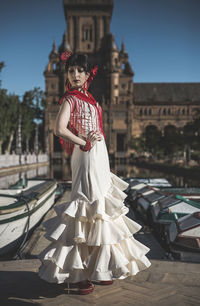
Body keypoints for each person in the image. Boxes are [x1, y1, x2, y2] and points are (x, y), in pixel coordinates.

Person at [38, 52, 151, 295]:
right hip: (86, 154)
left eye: (80, 70)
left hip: (98, 156)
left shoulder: (88, 97)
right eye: (71, 71)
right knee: (86, 208)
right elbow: (58, 129)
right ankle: (77, 275)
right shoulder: (70, 98)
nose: (75, 75)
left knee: (99, 209)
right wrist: (84, 142)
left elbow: (94, 126)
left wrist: (97, 138)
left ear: (88, 74)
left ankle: (98, 268)